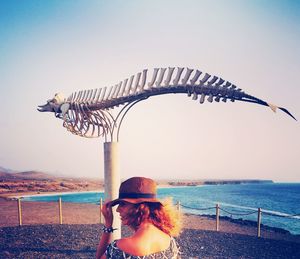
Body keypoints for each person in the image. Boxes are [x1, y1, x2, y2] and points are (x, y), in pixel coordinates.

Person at [96, 176, 182, 258]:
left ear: (140, 207)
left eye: (123, 204)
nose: (118, 209)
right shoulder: (170, 242)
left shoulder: (119, 248)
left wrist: (108, 225)